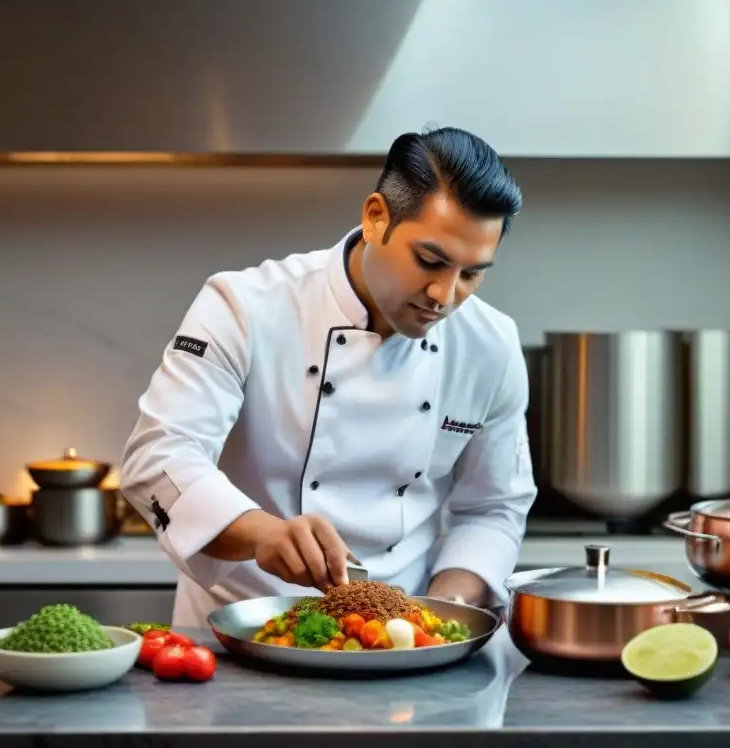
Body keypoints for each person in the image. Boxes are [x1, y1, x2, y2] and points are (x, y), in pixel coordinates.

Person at [120, 126, 538, 628]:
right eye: (430, 260)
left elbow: (493, 508)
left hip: (399, 647)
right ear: (375, 217)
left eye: (472, 273)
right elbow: (159, 456)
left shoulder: (489, 344)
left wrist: (438, 615)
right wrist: (263, 535)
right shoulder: (246, 307)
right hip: (237, 636)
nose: (444, 296)